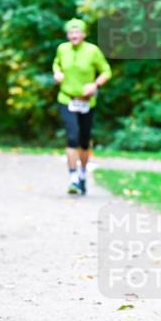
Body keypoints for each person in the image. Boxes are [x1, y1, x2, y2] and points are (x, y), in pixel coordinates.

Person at [52, 19, 111, 195]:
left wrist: (95, 85)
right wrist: (57, 73)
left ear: (84, 34)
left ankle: (83, 174)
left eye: (77, 32)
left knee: (84, 141)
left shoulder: (93, 51)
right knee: (72, 136)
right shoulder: (62, 49)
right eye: (71, 32)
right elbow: (57, 63)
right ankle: (73, 179)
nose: (74, 35)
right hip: (66, 99)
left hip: (86, 102)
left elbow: (106, 71)